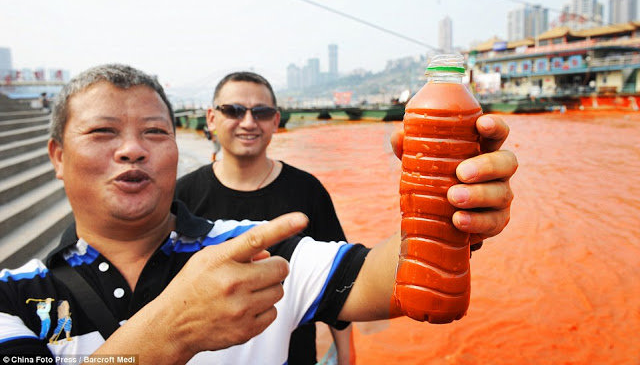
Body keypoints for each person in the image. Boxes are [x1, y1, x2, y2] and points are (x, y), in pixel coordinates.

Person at [0, 64, 517, 364]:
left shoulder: (259, 250)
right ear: (57, 156)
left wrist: (450, 218)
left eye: (155, 132)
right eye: (103, 132)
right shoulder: (13, 299)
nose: (133, 150)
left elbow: (393, 277)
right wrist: (170, 331)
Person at [175, 72, 355, 364]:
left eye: (261, 112)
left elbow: (342, 284)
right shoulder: (182, 197)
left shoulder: (308, 191)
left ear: (275, 121)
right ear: (211, 119)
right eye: (233, 111)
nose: (248, 122)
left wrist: (346, 356)